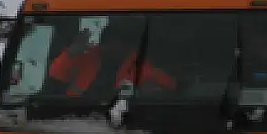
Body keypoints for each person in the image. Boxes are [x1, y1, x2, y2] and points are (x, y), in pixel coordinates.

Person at [44, 19, 176, 98]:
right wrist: (70, 53)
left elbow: (169, 85)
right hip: (72, 119)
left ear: (126, 45)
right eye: (107, 41)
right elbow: (55, 73)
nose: (110, 47)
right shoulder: (86, 58)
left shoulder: (140, 67)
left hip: (116, 123)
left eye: (116, 43)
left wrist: (154, 90)